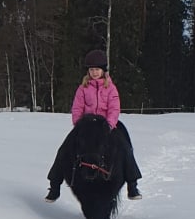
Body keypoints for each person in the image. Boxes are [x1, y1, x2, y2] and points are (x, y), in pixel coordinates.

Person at [45, 50, 142, 201]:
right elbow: (77, 108)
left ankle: (132, 185)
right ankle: (54, 186)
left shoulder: (110, 88)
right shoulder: (83, 88)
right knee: (64, 149)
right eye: (91, 70)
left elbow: (114, 108)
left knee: (125, 147)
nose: (94, 72)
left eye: (97, 69)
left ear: (103, 70)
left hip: (106, 125)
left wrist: (109, 125)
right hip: (86, 126)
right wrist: (79, 125)